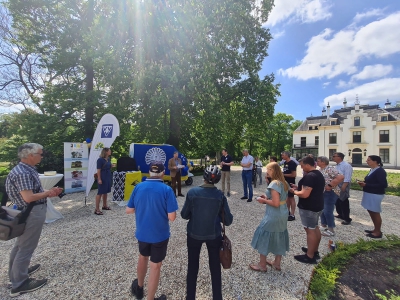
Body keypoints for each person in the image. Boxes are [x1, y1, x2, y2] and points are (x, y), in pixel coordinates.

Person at [6, 143, 63, 297]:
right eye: (40, 153)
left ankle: (16, 274)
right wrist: (48, 193)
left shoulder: (24, 170)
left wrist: (50, 192)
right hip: (32, 212)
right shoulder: (23, 173)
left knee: (20, 245)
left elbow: (33, 191)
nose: (42, 156)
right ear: (30, 155)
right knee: (26, 247)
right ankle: (19, 283)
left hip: (28, 211)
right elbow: (29, 197)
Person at [127, 162, 178, 300]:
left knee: (142, 257)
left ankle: (139, 288)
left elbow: (129, 210)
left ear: (149, 172)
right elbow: (172, 217)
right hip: (159, 235)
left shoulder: (138, 187)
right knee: (155, 266)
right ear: (162, 173)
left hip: (142, 233)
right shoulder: (167, 190)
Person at [181, 165, 233, 300]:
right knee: (215, 268)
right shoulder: (220, 196)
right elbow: (228, 220)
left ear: (204, 177)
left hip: (194, 234)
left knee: (192, 267)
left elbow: (184, 215)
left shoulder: (192, 193)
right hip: (214, 235)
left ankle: (190, 297)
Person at [249, 162, 290, 272]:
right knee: (280, 235)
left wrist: (264, 201)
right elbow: (283, 199)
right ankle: (277, 263)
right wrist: (267, 197)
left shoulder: (274, 183)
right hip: (283, 213)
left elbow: (276, 203)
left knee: (264, 235)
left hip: (274, 214)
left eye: (268, 170)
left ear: (273, 170)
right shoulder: (284, 182)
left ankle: (262, 265)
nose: (267, 172)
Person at [289, 156, 325, 264]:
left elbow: (304, 194)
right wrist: (298, 187)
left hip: (309, 207)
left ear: (308, 165)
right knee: (315, 228)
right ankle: (314, 250)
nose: (301, 167)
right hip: (318, 205)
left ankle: (309, 256)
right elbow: (310, 189)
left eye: (302, 165)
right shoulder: (318, 174)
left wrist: (293, 191)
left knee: (310, 230)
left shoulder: (310, 176)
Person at [357, 155, 388, 239]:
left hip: (375, 194)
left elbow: (383, 184)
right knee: (371, 211)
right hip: (369, 193)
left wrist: (367, 184)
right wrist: (363, 183)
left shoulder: (380, 171)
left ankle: (378, 232)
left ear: (375, 161)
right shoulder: (372, 170)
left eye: (369, 160)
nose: (367, 161)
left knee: (375, 212)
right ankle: (375, 229)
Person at [316, 156, 344, 237]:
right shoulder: (321, 170)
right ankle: (324, 224)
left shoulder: (330, 169)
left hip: (331, 192)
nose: (317, 162)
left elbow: (341, 177)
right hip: (323, 192)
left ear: (323, 162)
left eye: (318, 161)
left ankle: (331, 229)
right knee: (322, 209)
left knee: (328, 210)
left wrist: (330, 185)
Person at [332, 152, 353, 225]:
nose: (333, 157)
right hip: (337, 185)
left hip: (343, 184)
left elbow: (347, 176)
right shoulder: (337, 165)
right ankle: (340, 214)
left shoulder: (346, 165)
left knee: (343, 201)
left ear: (339, 157)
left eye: (334, 156)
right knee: (337, 200)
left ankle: (347, 218)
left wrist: (344, 186)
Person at [94, 147, 112, 215]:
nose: (110, 152)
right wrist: (99, 179)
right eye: (109, 151)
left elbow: (108, 166)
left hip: (107, 176)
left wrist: (111, 165)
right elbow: (98, 170)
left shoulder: (108, 159)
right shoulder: (100, 160)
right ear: (106, 152)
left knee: (105, 191)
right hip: (103, 176)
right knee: (100, 192)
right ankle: (97, 209)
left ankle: (105, 205)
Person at [281, 151, 297, 221]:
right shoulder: (285, 163)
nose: (282, 156)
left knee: (291, 198)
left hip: (290, 182)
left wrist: (283, 175)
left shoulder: (292, 163)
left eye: (283, 155)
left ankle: (292, 214)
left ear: (287, 155)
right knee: (287, 198)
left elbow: (293, 174)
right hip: (285, 182)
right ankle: (287, 212)